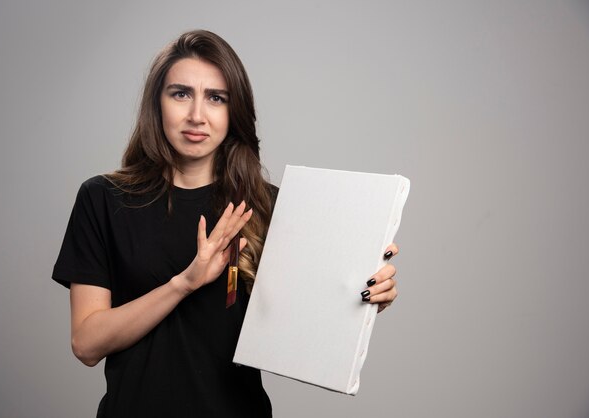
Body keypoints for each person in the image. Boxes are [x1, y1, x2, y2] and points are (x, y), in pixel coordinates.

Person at [52, 29, 399, 418]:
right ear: (157, 104)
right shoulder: (103, 199)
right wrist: (184, 283)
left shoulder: (272, 206)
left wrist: (362, 295)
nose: (197, 115)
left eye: (216, 98)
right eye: (180, 93)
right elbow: (86, 343)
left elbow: (310, 321)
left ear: (234, 111)